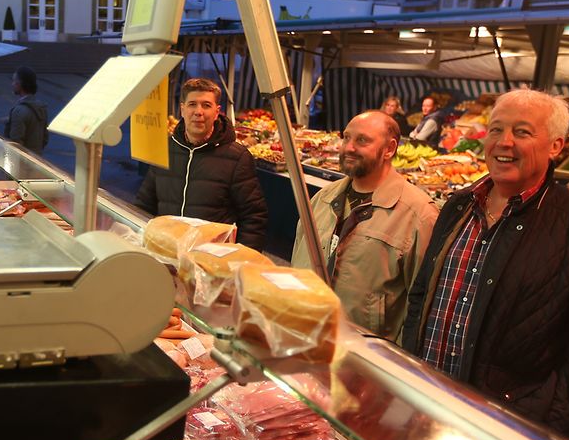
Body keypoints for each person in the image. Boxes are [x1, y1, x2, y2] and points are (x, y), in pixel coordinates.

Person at [400, 89, 569, 438]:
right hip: (425, 403)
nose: (503, 142)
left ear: (556, 146)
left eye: (522, 132)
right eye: (496, 129)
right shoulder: (459, 206)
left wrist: (546, 426)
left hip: (504, 428)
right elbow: (423, 293)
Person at [292, 111, 437, 339]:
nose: (348, 148)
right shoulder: (323, 199)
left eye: (362, 140)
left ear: (389, 149)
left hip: (366, 352)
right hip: (305, 338)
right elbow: (296, 264)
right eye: (346, 137)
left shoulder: (419, 215)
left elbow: (423, 305)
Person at [135, 77, 268, 250]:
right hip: (165, 252)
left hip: (209, 259)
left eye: (206, 105)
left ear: (217, 112)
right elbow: (144, 205)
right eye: (192, 104)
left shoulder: (237, 157)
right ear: (182, 109)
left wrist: (240, 259)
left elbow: (254, 217)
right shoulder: (165, 149)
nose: (198, 112)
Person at [5, 65, 48, 152]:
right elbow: (45, 137)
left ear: (20, 84)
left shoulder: (19, 111)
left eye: (14, 81)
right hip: (36, 156)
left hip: (22, 159)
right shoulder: (41, 107)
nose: (12, 84)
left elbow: (15, 142)